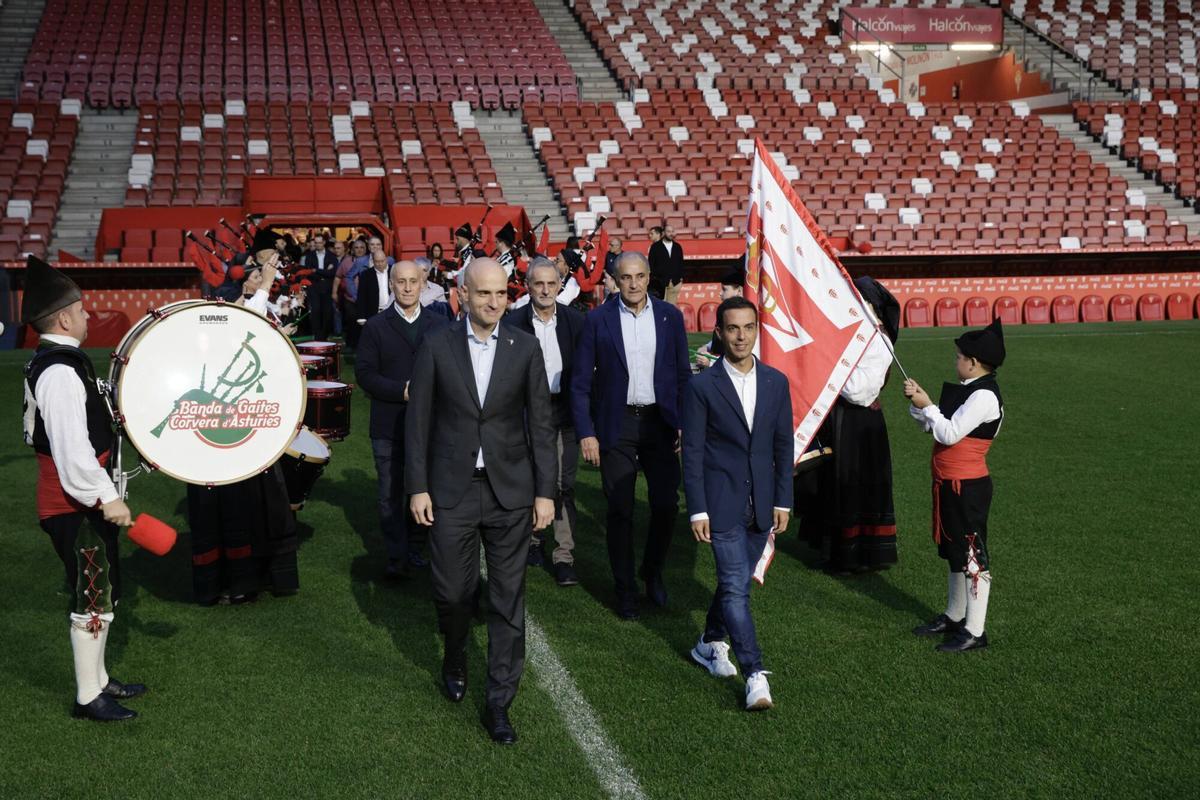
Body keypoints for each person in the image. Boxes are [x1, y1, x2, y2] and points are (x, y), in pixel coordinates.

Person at [405, 258, 556, 745]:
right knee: (452, 593)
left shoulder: (526, 348)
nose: (494, 302)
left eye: (501, 294)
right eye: (484, 293)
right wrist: (417, 486)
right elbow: (418, 423)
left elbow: (541, 426)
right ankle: (454, 654)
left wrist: (545, 492)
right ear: (463, 295)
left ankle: (498, 703)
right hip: (451, 491)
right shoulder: (436, 345)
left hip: (511, 493)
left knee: (508, 601)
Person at [20, 255, 144, 722]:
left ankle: (99, 679)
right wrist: (105, 498)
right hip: (72, 503)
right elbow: (72, 449)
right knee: (92, 596)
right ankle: (87, 697)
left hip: (79, 498)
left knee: (102, 591)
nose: (89, 316)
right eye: (83, 310)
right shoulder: (58, 372)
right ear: (64, 318)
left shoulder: (64, 363)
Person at [682, 296, 792, 711]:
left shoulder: (776, 382)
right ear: (719, 332)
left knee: (736, 585)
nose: (741, 336)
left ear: (756, 330)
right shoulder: (701, 386)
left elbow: (784, 445)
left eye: (748, 327)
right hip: (721, 502)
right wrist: (698, 508)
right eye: (732, 328)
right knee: (734, 588)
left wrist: (783, 499)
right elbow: (691, 451)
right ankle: (755, 674)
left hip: (763, 503)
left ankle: (709, 642)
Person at [571, 251, 690, 619]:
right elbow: (578, 384)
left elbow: (684, 376)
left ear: (649, 276)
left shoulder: (671, 317)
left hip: (660, 424)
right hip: (616, 424)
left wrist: (685, 421)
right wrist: (586, 433)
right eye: (626, 277)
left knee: (667, 506)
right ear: (615, 279)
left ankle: (651, 571)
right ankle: (625, 589)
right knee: (620, 509)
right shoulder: (597, 319)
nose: (634, 283)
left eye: (640, 276)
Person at [187, 232, 301, 604]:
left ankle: (246, 579)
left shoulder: (245, 306)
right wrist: (265, 288)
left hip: (242, 425)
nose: (259, 279)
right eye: (253, 275)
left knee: (247, 510)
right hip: (223, 429)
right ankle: (231, 582)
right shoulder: (227, 308)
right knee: (230, 510)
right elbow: (242, 332)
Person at [904, 319, 1006, 653]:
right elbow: (936, 427)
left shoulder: (984, 397)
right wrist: (921, 405)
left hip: (969, 485)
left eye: (959, 356)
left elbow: (948, 433)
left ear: (974, 362)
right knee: (954, 552)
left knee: (973, 554)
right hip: (949, 481)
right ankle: (954, 615)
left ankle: (975, 630)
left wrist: (927, 406)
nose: (956, 361)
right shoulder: (970, 390)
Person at [357, 261, 450, 579]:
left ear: (423, 284)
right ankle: (396, 555)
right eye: (401, 282)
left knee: (426, 489)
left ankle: (417, 546)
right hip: (388, 425)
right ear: (392, 285)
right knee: (390, 493)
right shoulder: (375, 327)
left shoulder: (440, 325)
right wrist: (402, 391)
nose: (408, 287)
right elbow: (365, 375)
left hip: (431, 426)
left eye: (414, 281)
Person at [807, 276, 900, 574]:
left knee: (854, 485)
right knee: (835, 484)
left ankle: (856, 556)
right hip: (842, 420)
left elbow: (860, 392)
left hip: (860, 425)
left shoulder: (880, 340)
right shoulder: (854, 334)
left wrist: (829, 368)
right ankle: (838, 551)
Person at [508, 257, 586, 586]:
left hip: (563, 411)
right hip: (526, 412)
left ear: (559, 286)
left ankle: (564, 554)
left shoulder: (575, 321)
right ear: (527, 287)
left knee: (562, 485)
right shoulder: (512, 322)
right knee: (531, 480)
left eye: (551, 284)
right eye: (538, 283)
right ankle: (534, 540)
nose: (545, 290)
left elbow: (584, 375)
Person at [693, 270, 743, 370]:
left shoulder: (742, 317)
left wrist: (710, 362)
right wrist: (706, 347)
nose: (720, 293)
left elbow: (740, 357)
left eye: (724, 290)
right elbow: (720, 339)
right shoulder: (724, 311)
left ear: (739, 291)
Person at [304, 232, 339, 339]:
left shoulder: (332, 256)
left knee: (327, 312)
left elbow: (333, 273)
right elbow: (309, 272)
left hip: (327, 288)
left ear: (324, 242)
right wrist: (324, 272)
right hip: (314, 287)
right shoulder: (309, 256)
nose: (318, 245)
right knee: (315, 311)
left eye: (320, 242)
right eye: (316, 243)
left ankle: (325, 335)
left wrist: (317, 271)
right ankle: (317, 336)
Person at [332, 238, 366, 349]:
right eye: (356, 247)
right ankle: (351, 344)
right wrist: (334, 293)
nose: (359, 250)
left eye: (362, 247)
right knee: (352, 321)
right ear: (352, 250)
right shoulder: (346, 262)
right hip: (350, 298)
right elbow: (338, 277)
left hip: (365, 298)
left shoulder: (370, 261)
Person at [648, 224, 684, 305]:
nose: (671, 233)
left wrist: (680, 279)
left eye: (672, 231)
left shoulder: (677, 247)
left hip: (675, 283)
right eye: (668, 231)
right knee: (660, 307)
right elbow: (651, 264)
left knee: (671, 308)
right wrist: (656, 277)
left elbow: (681, 263)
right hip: (659, 283)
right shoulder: (655, 247)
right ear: (663, 233)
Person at [355, 250, 392, 328]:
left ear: (386, 259)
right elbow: (361, 296)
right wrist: (361, 316)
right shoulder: (366, 275)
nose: (380, 264)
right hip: (374, 313)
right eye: (377, 262)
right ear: (373, 261)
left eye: (382, 261)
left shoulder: (393, 271)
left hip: (392, 312)